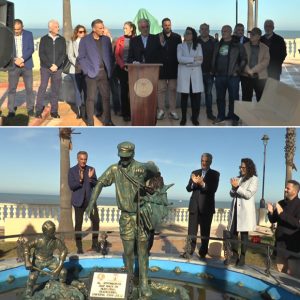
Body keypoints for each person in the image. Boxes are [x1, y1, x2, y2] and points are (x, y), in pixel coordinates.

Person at [86, 142, 160, 298]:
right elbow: (100, 182)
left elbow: (155, 170)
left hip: (141, 215)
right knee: (127, 251)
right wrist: (92, 202)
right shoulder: (115, 169)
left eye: (127, 157)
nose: (124, 160)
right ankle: (129, 280)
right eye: (121, 157)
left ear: (133, 154)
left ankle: (144, 282)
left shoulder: (141, 167)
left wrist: (147, 166)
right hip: (125, 216)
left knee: (142, 251)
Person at [181, 153, 219, 259]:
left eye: (206, 161)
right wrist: (193, 183)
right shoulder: (194, 172)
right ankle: (189, 252)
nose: (204, 163)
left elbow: (213, 189)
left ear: (210, 162)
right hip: (194, 206)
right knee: (191, 231)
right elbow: (188, 188)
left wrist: (202, 183)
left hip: (206, 208)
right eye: (202, 160)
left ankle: (202, 253)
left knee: (205, 232)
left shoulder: (215, 174)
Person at [78, 19, 114, 126]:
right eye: (100, 28)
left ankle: (107, 121)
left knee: (106, 98)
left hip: (104, 73)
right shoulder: (84, 40)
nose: (103, 30)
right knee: (90, 99)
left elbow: (110, 56)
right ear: (94, 29)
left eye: (103, 27)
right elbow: (81, 57)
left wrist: (110, 69)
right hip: (91, 74)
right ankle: (90, 122)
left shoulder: (107, 40)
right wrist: (87, 71)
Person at [225, 158, 258, 267]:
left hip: (245, 211)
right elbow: (231, 193)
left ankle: (243, 258)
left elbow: (248, 194)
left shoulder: (254, 179)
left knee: (244, 235)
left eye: (243, 167)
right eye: (240, 167)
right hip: (235, 210)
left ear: (249, 167)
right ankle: (235, 256)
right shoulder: (238, 178)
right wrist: (233, 187)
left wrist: (237, 187)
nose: (241, 169)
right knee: (234, 233)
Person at [211, 25, 247, 126]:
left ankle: (234, 117)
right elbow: (214, 58)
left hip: (233, 76)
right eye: (222, 31)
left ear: (231, 32)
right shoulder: (218, 45)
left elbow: (244, 59)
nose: (223, 32)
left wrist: (238, 71)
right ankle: (221, 116)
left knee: (234, 98)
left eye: (226, 31)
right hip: (219, 76)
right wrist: (213, 70)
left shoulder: (238, 45)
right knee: (220, 98)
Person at [23, 220, 68, 298]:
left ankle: (62, 286)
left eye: (54, 231)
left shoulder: (56, 241)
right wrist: (27, 260)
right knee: (32, 277)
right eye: (52, 232)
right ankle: (28, 293)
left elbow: (64, 250)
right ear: (46, 233)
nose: (54, 234)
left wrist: (59, 267)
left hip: (50, 260)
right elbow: (27, 246)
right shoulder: (38, 240)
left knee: (63, 272)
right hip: (38, 261)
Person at [68, 151, 99, 254]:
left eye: (85, 159)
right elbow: (72, 186)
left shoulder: (91, 169)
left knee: (96, 221)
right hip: (78, 201)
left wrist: (90, 179)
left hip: (90, 201)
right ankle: (79, 247)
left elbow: (96, 183)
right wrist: (80, 180)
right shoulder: (72, 170)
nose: (83, 161)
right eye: (81, 159)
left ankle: (94, 245)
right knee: (78, 225)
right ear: (77, 159)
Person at [267, 180, 300, 274]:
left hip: (293, 248)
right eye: (285, 187)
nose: (285, 189)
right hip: (280, 246)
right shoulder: (281, 203)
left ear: (295, 191)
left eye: (288, 188)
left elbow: (297, 223)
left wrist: (282, 213)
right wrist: (271, 212)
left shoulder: (299, 205)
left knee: (293, 276)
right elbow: (273, 220)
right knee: (280, 273)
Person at [35, 20, 66, 119]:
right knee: (42, 88)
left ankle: (54, 111)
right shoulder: (44, 39)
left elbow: (63, 54)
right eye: (56, 26)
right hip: (45, 68)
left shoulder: (62, 39)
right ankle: (38, 110)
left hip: (58, 69)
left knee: (55, 90)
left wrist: (56, 65)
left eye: (58, 26)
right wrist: (50, 65)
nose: (58, 28)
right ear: (50, 28)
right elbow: (41, 54)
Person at [7, 19, 34, 117]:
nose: (16, 31)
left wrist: (22, 59)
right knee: (12, 89)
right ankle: (11, 110)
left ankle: (30, 109)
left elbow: (31, 49)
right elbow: (7, 50)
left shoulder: (29, 34)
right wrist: (16, 60)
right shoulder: (9, 35)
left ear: (22, 27)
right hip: (13, 66)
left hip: (27, 65)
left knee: (29, 89)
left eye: (18, 29)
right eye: (14, 29)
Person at [177, 27, 204, 126]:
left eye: (189, 33)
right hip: (184, 76)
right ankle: (183, 118)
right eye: (185, 33)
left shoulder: (198, 46)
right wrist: (193, 59)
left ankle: (194, 118)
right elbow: (179, 59)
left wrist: (187, 62)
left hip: (195, 76)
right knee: (184, 98)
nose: (186, 34)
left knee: (195, 99)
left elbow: (200, 61)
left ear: (193, 35)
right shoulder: (180, 46)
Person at [156, 18, 182, 121]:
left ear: (171, 25)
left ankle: (172, 111)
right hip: (161, 68)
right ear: (162, 26)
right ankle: (161, 110)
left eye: (169, 25)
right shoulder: (157, 37)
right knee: (160, 90)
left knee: (172, 90)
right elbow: (155, 52)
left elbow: (180, 52)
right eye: (165, 25)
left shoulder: (177, 37)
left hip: (173, 68)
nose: (167, 26)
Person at [241, 27, 270, 102]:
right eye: (250, 34)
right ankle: (246, 114)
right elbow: (242, 59)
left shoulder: (265, 48)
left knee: (261, 99)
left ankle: (260, 113)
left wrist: (253, 70)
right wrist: (247, 70)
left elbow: (265, 62)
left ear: (258, 37)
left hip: (260, 77)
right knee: (246, 99)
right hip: (246, 76)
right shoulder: (244, 46)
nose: (251, 35)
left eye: (253, 34)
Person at [115, 21, 136, 122]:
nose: (124, 29)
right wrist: (123, 66)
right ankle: (125, 113)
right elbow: (117, 55)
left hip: (134, 69)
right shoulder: (120, 40)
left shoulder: (136, 39)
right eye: (123, 28)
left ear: (131, 28)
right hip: (122, 69)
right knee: (124, 91)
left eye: (126, 28)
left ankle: (134, 112)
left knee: (134, 91)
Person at [197, 23, 217, 121]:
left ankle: (209, 113)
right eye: (202, 29)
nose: (204, 31)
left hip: (209, 73)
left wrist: (214, 71)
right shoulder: (195, 41)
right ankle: (195, 114)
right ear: (199, 30)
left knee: (208, 94)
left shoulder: (213, 41)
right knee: (197, 95)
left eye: (206, 29)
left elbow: (216, 57)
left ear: (209, 31)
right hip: (197, 73)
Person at [67, 25, 87, 119]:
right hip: (75, 70)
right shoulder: (72, 41)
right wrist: (79, 64)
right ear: (76, 32)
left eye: (83, 31)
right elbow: (70, 55)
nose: (82, 33)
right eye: (80, 32)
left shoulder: (88, 42)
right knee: (78, 91)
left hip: (86, 70)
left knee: (87, 91)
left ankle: (87, 111)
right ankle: (79, 112)